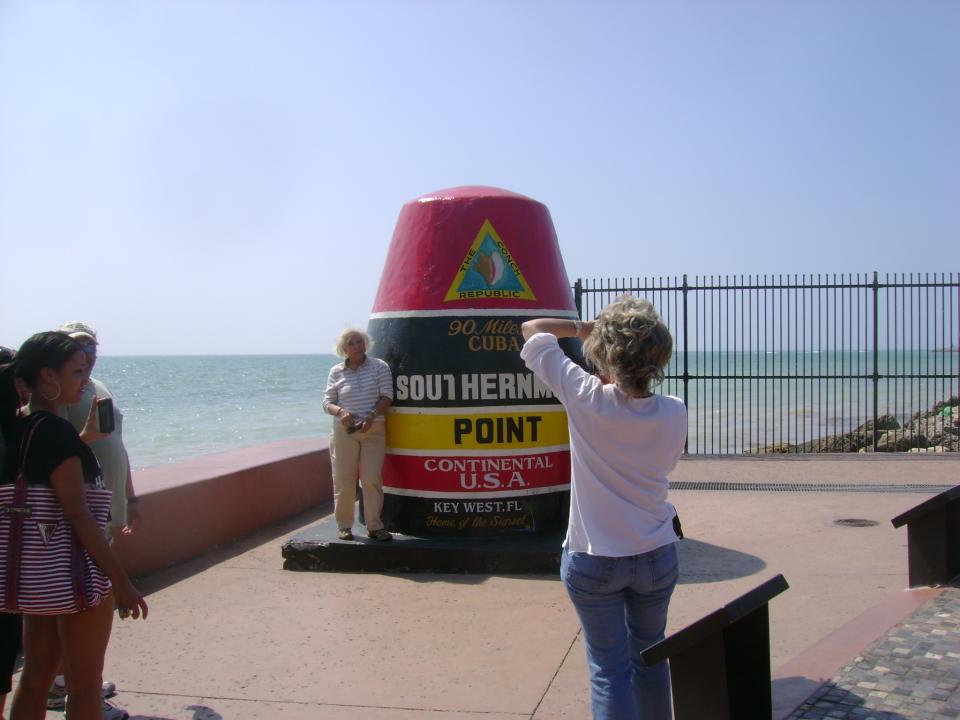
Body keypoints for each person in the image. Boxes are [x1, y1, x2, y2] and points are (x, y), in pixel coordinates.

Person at [519, 296, 687, 720]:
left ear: (604, 352)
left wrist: (586, 328)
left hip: (595, 561)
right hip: (655, 555)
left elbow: (532, 329)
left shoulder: (586, 396)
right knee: (651, 657)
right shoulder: (674, 411)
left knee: (610, 671)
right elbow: (665, 464)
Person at [0, 332, 148, 720]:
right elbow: (78, 514)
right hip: (76, 574)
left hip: (38, 575)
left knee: (34, 679)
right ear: (48, 377)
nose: (86, 381)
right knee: (85, 685)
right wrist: (121, 582)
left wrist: (82, 440)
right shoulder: (56, 433)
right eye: (78, 372)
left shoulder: (18, 428)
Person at [44, 322, 139, 716]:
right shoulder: (60, 393)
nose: (88, 353)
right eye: (80, 348)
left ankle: (72, 683)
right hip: (79, 509)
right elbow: (52, 449)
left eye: (92, 346)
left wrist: (130, 495)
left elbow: (116, 442)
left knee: (88, 599)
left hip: (106, 505)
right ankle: (79, 693)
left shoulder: (98, 388)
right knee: (85, 601)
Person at [322, 328, 394, 541]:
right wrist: (341, 412)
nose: (357, 345)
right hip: (345, 432)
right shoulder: (336, 371)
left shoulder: (379, 366)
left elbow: (387, 395)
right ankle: (344, 525)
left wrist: (371, 416)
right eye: (351, 343)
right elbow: (327, 403)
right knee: (344, 480)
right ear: (344, 349)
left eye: (359, 341)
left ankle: (374, 525)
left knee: (371, 478)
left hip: (373, 430)